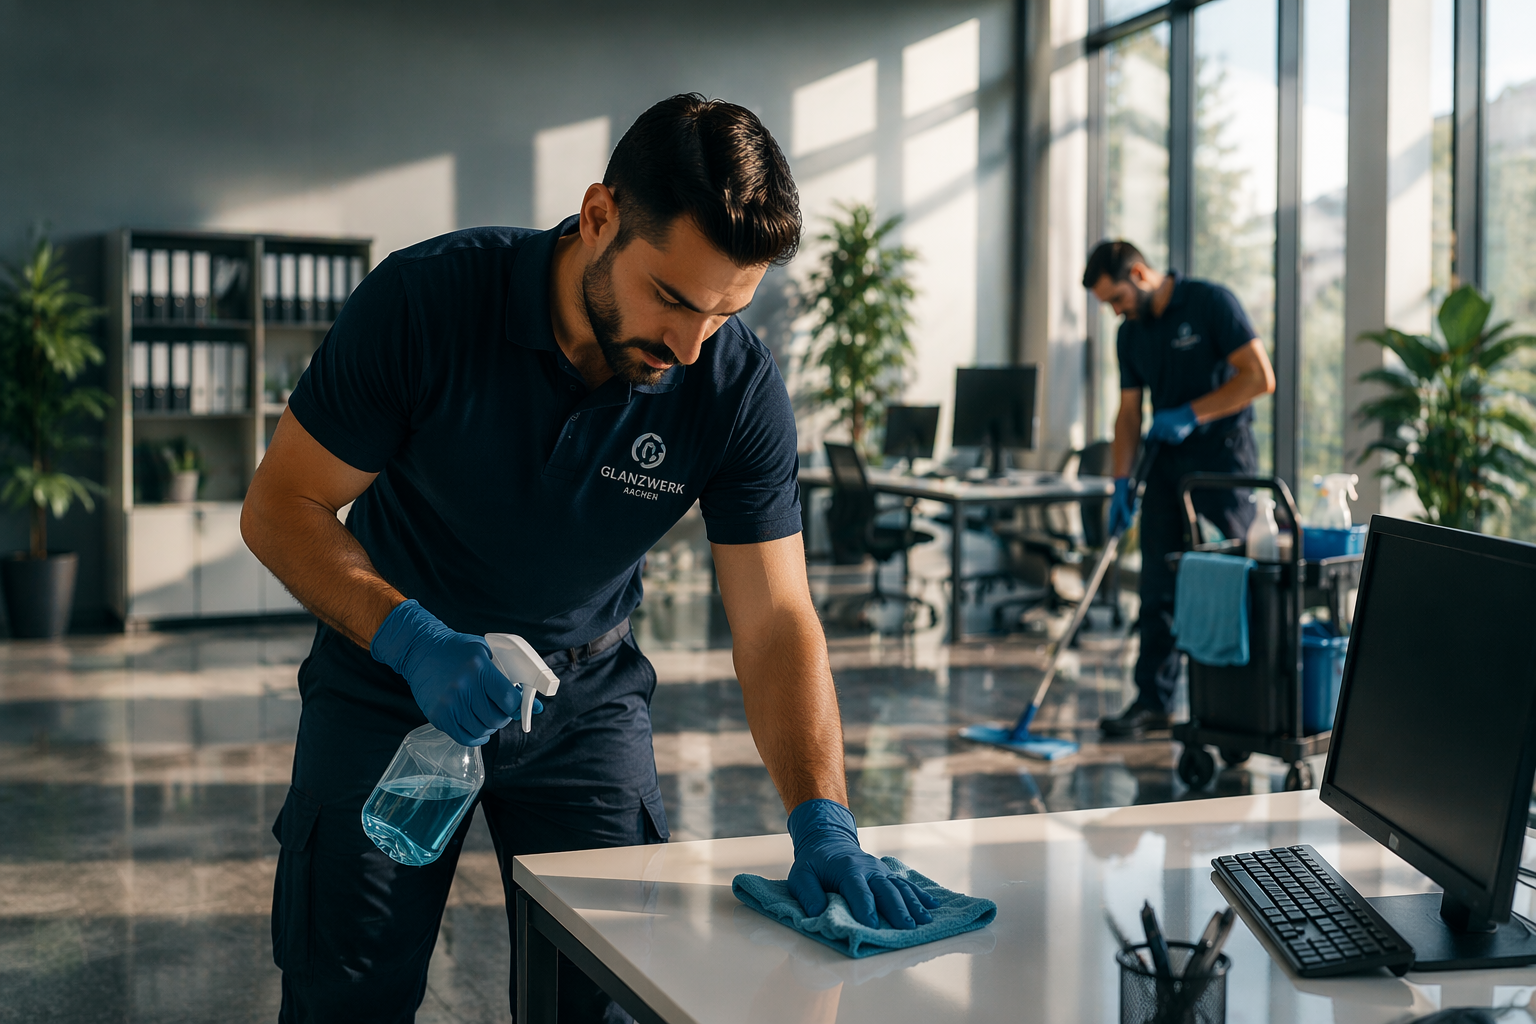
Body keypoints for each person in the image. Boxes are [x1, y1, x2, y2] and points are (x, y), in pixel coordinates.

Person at [242, 94, 936, 1024]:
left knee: (604, 1000)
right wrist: (411, 640)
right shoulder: (428, 303)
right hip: (392, 680)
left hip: (580, 702)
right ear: (599, 216)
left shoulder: (731, 388)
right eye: (674, 300)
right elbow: (281, 506)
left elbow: (774, 618)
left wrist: (823, 817)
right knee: (347, 994)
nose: (690, 348)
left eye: (726, 313)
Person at [1082, 240, 1276, 737]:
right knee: (1157, 587)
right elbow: (1128, 413)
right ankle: (1154, 701)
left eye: (1117, 299)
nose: (1115, 312)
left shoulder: (1211, 303)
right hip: (1165, 467)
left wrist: (1194, 412)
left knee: (1234, 579)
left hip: (1222, 463)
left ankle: (1245, 702)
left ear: (1140, 273)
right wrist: (1121, 481)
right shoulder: (1130, 335)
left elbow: (1259, 377)